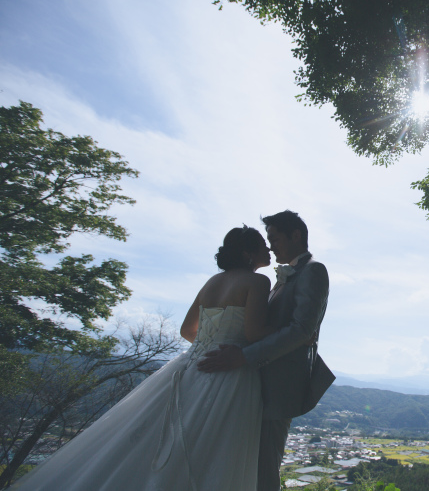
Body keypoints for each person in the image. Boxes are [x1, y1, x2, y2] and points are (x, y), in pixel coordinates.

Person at [13, 226, 273, 491]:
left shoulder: (212, 282)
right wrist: (293, 332)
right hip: (228, 372)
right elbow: (254, 333)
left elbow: (187, 330)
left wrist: (208, 346)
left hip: (192, 366)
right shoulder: (258, 282)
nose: (269, 249)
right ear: (247, 253)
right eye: (263, 245)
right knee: (217, 448)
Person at [198, 210, 330, 491]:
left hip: (278, 387)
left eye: (275, 238)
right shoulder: (281, 278)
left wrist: (242, 356)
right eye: (267, 240)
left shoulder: (313, 271)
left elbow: (301, 330)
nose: (270, 246)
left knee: (264, 470)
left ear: (296, 235)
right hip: (251, 384)